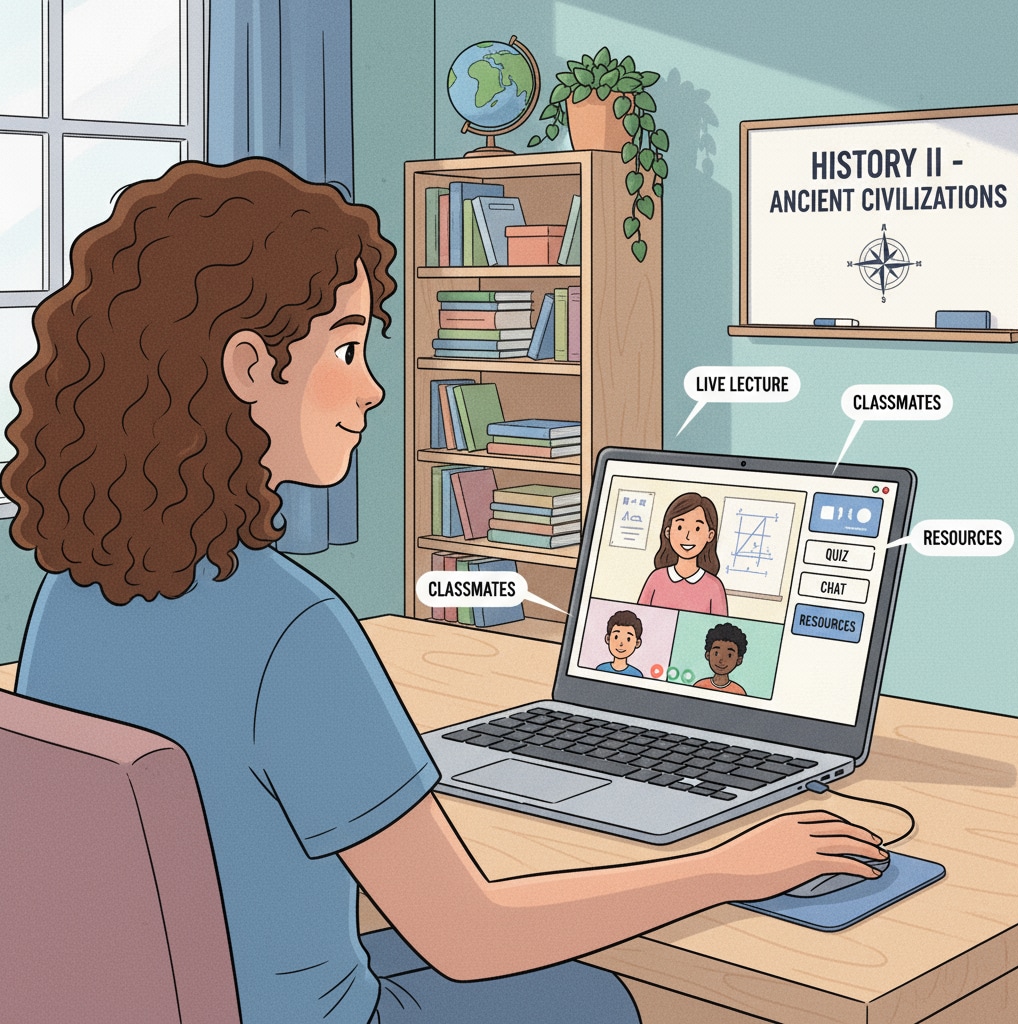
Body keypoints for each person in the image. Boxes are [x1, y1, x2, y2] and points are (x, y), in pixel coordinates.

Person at [2, 158, 888, 1024]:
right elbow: (470, 936)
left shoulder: (69, 595)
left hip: (185, 994)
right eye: (345, 347)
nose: (373, 386)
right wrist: (734, 866)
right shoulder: (291, 627)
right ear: (248, 367)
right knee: (600, 995)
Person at [638, 492, 729, 614]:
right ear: (668, 532)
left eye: (697, 529)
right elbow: (638, 620)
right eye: (680, 527)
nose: (688, 536)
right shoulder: (656, 578)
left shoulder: (714, 587)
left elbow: (720, 629)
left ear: (710, 535)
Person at [694, 622, 749, 695]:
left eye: (729, 655)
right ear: (708, 655)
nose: (721, 660)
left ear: (738, 660)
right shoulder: (699, 686)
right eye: (716, 653)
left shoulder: (739, 692)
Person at [595, 609, 645, 677]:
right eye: (616, 637)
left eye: (628, 639)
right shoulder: (600, 669)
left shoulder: (636, 674)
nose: (621, 643)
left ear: (637, 643)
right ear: (608, 638)